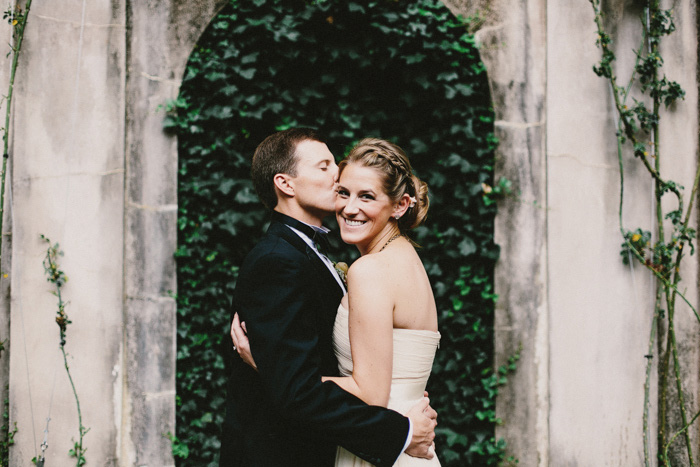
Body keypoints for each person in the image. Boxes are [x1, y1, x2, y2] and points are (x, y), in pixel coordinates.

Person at [220, 128, 437, 467]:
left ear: (400, 205)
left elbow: (347, 376)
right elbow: (298, 388)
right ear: (286, 184)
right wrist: (404, 429)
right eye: (324, 167)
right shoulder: (277, 261)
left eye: (365, 195)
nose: (336, 175)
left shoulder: (359, 265)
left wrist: (270, 367)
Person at [322, 138, 441, 466]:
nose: (348, 208)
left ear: (401, 205)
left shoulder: (371, 271)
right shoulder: (407, 260)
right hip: (407, 444)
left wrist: (277, 373)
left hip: (382, 449)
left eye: (366, 197)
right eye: (343, 193)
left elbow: (370, 392)